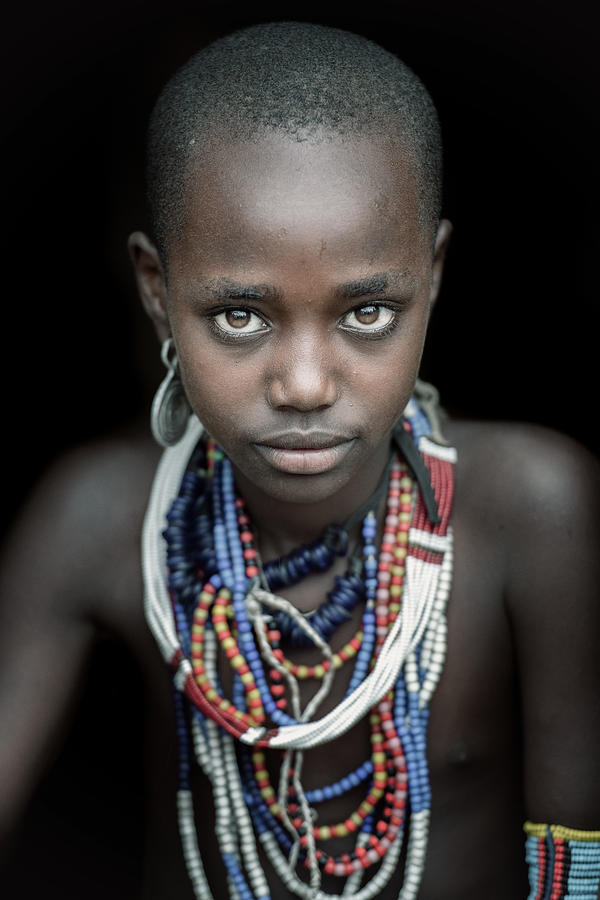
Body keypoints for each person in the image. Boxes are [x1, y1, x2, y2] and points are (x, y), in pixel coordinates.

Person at [1, 20, 599, 900]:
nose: (307, 384)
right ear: (159, 293)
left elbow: (580, 854)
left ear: (431, 277)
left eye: (366, 313)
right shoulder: (101, 517)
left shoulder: (533, 508)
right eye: (242, 316)